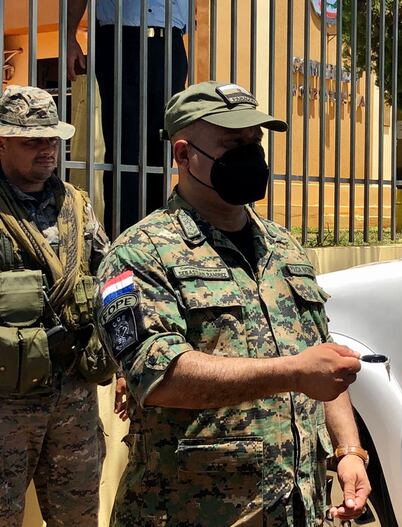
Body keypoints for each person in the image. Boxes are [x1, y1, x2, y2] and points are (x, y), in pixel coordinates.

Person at [94, 80, 371, 526]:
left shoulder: (284, 246)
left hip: (298, 506)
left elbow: (324, 361)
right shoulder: (137, 254)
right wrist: (294, 373)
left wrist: (348, 450)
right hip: (196, 511)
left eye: (254, 142)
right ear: (184, 156)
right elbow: (160, 376)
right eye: (231, 143)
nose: (249, 154)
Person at [0, 86, 116, 526]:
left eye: (51, 139)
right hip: (7, 400)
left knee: (79, 516)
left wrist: (125, 365)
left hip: (74, 394)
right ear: (2, 143)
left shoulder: (76, 205)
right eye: (31, 140)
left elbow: (110, 282)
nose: (46, 149)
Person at [67, 0, 189, 236]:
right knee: (124, 150)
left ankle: (156, 238)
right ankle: (125, 241)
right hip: (120, 40)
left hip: (170, 42)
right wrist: (69, 36)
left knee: (162, 150)